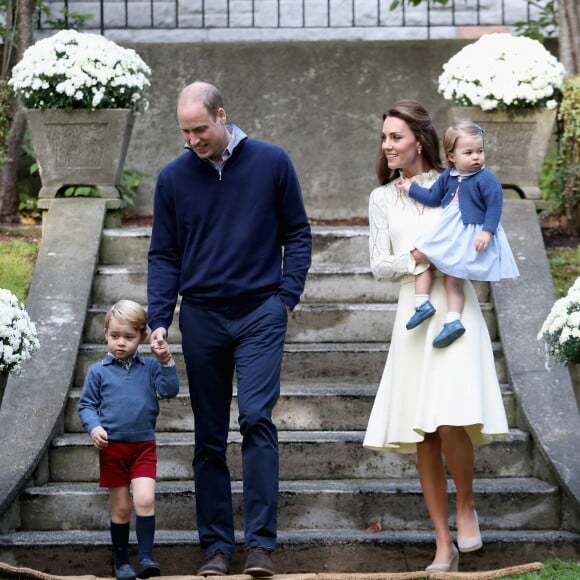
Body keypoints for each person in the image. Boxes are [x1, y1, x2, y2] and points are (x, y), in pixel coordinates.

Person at [147, 81, 312, 577]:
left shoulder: (272, 161)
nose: (193, 139)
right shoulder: (173, 178)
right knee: (208, 437)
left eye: (200, 129)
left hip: (261, 310)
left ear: (222, 116)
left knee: (257, 420)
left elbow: (298, 232)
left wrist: (286, 297)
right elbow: (164, 254)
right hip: (201, 315)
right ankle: (217, 548)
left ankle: (260, 546)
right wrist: (159, 318)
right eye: (185, 131)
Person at [362, 101, 509, 572]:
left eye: (396, 137)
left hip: (454, 305)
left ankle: (466, 505)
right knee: (423, 430)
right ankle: (442, 542)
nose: (387, 145)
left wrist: (453, 252)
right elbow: (379, 264)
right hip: (413, 307)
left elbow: (481, 231)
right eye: (384, 137)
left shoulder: (454, 183)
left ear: (419, 141)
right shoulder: (382, 198)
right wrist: (420, 259)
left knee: (451, 418)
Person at [78, 300, 180, 580]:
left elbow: (169, 391)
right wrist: (94, 427)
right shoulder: (98, 372)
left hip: (143, 446)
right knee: (122, 507)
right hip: (113, 449)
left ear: (142, 338)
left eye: (128, 337)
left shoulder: (149, 368)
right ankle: (122, 562)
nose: (120, 343)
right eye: (114, 336)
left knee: (145, 500)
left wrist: (166, 362)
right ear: (105, 334)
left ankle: (146, 557)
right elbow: (86, 406)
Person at [396, 121, 519, 348]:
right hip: (449, 232)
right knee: (419, 257)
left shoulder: (486, 178)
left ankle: (453, 320)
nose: (476, 157)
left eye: (480, 151)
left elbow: (494, 206)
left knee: (453, 278)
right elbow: (433, 197)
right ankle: (422, 304)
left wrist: (487, 232)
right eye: (469, 152)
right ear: (451, 157)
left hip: (468, 233)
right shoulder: (448, 177)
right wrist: (410, 188)